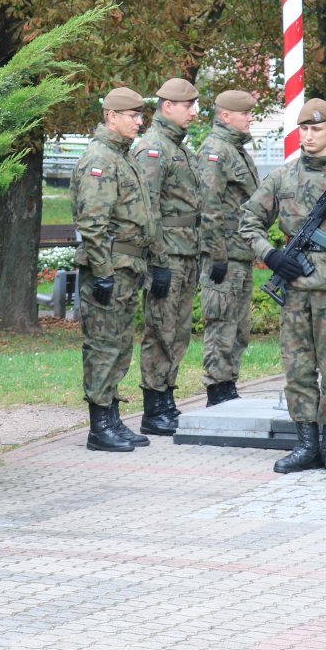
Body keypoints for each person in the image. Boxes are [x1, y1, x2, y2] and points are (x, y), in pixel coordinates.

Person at [239, 98, 326, 476]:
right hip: (295, 287)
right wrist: (270, 255)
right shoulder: (282, 177)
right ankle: (306, 445)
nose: (309, 135)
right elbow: (248, 220)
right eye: (304, 129)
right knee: (297, 368)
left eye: (317, 129)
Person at [70, 86, 168, 452]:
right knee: (103, 347)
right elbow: (93, 222)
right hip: (109, 268)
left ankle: (111, 418)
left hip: (128, 267)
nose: (139, 122)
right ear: (111, 116)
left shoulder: (122, 157)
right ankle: (99, 427)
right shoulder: (100, 159)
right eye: (133, 115)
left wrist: (155, 260)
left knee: (120, 346)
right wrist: (103, 272)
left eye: (141, 115)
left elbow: (143, 217)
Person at [132, 77, 200, 435]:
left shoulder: (178, 148)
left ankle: (167, 398)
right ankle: (154, 406)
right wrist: (157, 261)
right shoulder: (153, 149)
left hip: (185, 251)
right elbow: (148, 210)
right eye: (188, 106)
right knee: (160, 329)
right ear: (168, 107)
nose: (194, 113)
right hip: (167, 254)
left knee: (179, 330)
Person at [196, 89, 260, 405]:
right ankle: (217, 390)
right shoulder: (215, 151)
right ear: (226, 116)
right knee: (221, 323)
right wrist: (217, 254)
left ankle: (229, 385)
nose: (250, 118)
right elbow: (208, 206)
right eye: (245, 113)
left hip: (240, 251)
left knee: (239, 327)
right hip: (224, 254)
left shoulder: (237, 150)